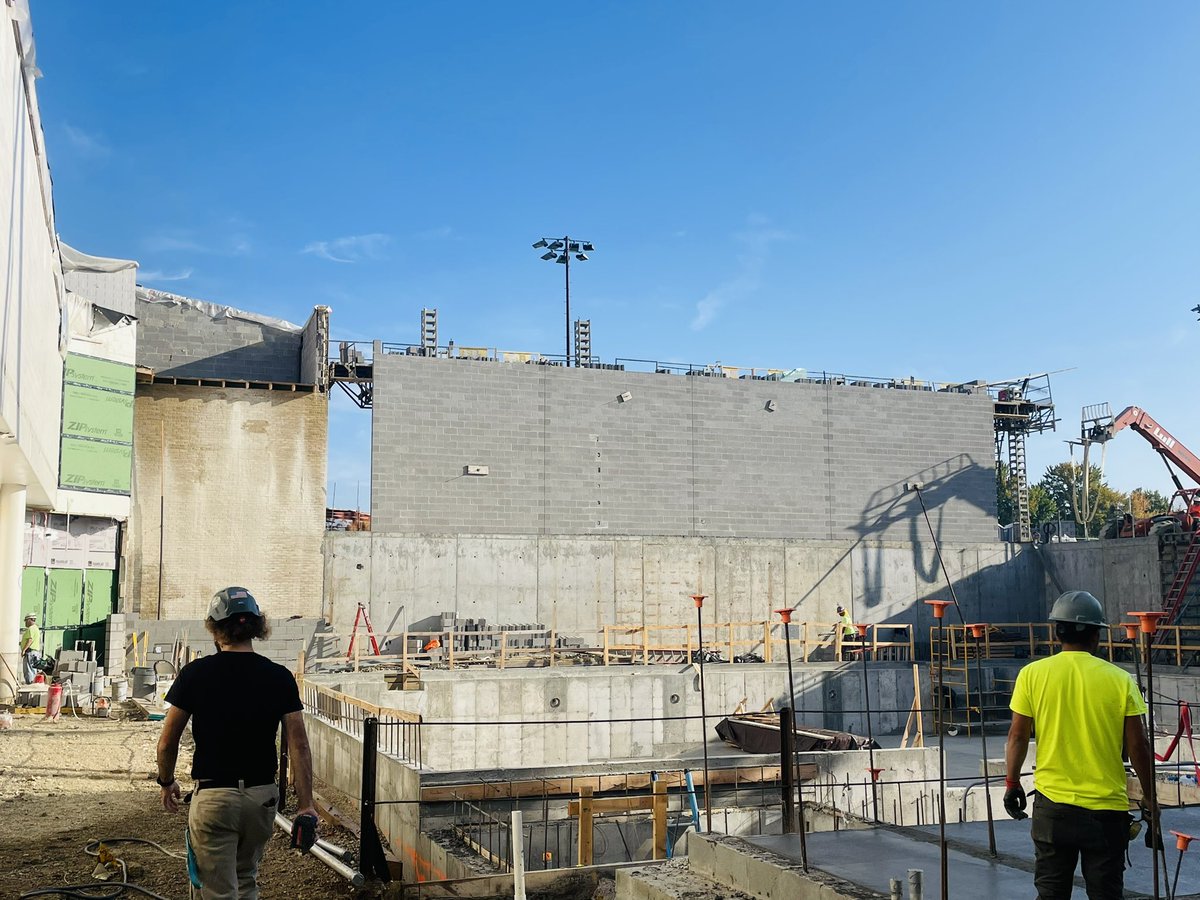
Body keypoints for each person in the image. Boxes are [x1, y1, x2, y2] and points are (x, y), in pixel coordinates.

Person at [157, 587, 317, 899]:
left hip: (215, 799)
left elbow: (167, 742)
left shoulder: (195, 674)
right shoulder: (279, 677)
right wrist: (306, 805)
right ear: (257, 626)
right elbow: (299, 746)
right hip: (261, 800)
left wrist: (166, 781)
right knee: (245, 879)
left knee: (217, 890)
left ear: (215, 629)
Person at [1004, 590, 1156, 900]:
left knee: (1051, 893)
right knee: (1106, 894)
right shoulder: (1120, 680)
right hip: (1105, 813)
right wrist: (1150, 798)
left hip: (1052, 810)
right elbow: (1138, 746)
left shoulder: (1031, 675)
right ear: (1096, 635)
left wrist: (1012, 783)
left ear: (1057, 632)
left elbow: (1017, 737)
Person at [20, 614, 40, 684]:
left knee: (28, 670)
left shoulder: (31, 628)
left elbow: (30, 640)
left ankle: (30, 684)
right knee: (33, 669)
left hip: (30, 652)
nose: (25, 622)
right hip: (35, 652)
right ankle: (32, 683)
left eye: (26, 621)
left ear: (29, 620)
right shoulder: (36, 628)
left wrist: (24, 650)